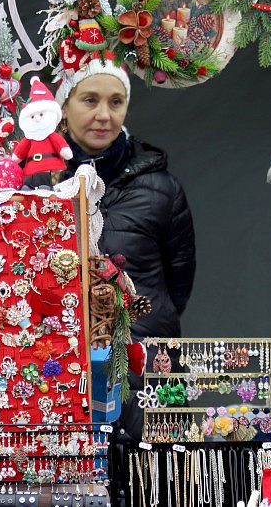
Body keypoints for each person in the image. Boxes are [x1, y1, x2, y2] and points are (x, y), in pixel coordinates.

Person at [55, 57, 197, 439]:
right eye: (90, 100)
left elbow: (178, 280)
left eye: (116, 102)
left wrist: (135, 320)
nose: (104, 114)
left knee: (161, 486)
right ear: (64, 107)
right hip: (58, 365)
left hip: (146, 366)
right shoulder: (34, 183)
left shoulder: (160, 188)